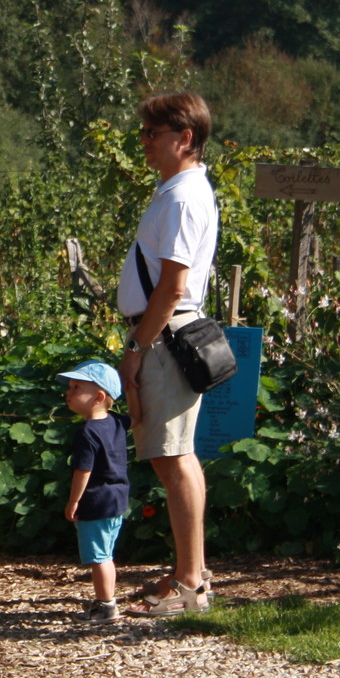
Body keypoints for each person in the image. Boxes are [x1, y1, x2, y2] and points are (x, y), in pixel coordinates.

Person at [117, 91, 218, 616]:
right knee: (179, 455)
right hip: (167, 332)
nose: (145, 145)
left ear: (184, 138)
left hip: (163, 334)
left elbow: (173, 285)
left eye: (152, 135)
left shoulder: (181, 197)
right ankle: (191, 576)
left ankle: (187, 586)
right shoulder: (181, 191)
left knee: (171, 456)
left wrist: (137, 346)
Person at [59, 359, 130, 624]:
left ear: (99, 396)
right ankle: (107, 600)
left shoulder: (87, 431)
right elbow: (140, 417)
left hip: (95, 501)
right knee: (107, 554)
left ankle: (106, 606)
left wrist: (73, 501)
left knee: (99, 557)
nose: (69, 392)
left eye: (77, 387)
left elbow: (83, 471)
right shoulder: (118, 423)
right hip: (118, 499)